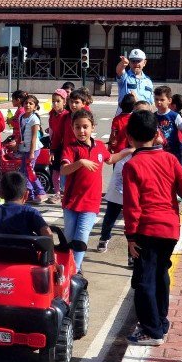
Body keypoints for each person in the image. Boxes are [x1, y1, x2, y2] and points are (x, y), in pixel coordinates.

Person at [122, 110, 182, 346]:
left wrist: (131, 236)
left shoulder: (132, 165)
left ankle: (151, 330)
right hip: (169, 230)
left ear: (129, 137)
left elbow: (132, 206)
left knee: (144, 280)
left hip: (146, 230)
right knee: (160, 274)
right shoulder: (169, 159)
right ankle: (161, 322)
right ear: (157, 133)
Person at [97, 100, 151, 259]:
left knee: (133, 220)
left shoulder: (151, 130)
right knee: (111, 213)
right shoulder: (129, 127)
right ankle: (104, 237)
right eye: (138, 112)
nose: (140, 115)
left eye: (144, 112)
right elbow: (115, 149)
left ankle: (131, 255)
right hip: (121, 172)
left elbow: (161, 142)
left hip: (137, 184)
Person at [59, 108, 110, 270]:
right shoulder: (71, 148)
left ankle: (76, 269)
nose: (81, 130)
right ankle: (66, 265)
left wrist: (129, 150)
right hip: (72, 202)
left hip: (91, 203)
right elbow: (63, 170)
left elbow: (110, 158)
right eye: (77, 127)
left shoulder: (100, 146)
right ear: (72, 128)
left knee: (81, 235)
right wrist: (80, 162)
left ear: (93, 127)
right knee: (69, 236)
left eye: (85, 127)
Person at [0, 172, 53, 237]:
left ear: (0, 194)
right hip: (26, 248)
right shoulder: (31, 212)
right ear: (26, 195)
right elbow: (47, 233)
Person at [17, 94, 47, 204]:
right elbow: (22, 133)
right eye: (26, 103)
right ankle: (30, 194)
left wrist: (31, 153)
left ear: (35, 107)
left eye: (31, 103)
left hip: (33, 149)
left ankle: (40, 192)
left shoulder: (34, 119)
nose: (28, 105)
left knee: (29, 171)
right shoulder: (21, 117)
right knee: (24, 171)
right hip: (25, 148)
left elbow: (34, 137)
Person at [154, 86, 182, 171]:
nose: (158, 102)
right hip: (160, 153)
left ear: (169, 101)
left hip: (175, 152)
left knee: (178, 175)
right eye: (156, 99)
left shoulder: (174, 116)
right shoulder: (153, 116)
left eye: (162, 100)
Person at [47, 88, 71, 203]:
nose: (55, 103)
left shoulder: (67, 115)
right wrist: (52, 150)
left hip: (66, 146)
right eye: (53, 101)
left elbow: (62, 133)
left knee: (65, 170)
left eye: (58, 101)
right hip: (55, 145)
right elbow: (54, 132)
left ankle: (66, 193)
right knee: (55, 170)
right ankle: (57, 194)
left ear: (64, 102)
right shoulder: (52, 114)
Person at [115, 48, 154, 114]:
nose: (136, 63)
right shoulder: (125, 77)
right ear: (129, 63)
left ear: (144, 62)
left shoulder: (148, 81)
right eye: (133, 61)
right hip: (126, 117)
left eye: (138, 61)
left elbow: (151, 103)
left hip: (143, 117)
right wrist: (123, 63)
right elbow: (119, 70)